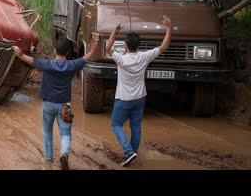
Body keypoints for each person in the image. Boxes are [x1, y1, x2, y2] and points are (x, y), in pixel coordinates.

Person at [13, 37, 99, 170]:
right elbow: (87, 57)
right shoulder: (72, 65)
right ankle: (64, 154)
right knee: (65, 133)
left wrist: (20, 54)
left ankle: (48, 160)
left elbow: (31, 60)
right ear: (68, 52)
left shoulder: (47, 64)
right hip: (65, 106)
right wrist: (94, 45)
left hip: (48, 104)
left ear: (55, 51)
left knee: (47, 132)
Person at [105, 15, 172, 167]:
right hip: (140, 98)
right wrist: (168, 28)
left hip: (123, 99)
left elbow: (108, 48)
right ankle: (132, 153)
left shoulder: (121, 59)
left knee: (116, 124)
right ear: (138, 46)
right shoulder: (144, 57)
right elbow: (163, 46)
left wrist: (115, 32)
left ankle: (128, 152)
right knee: (136, 127)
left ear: (126, 45)